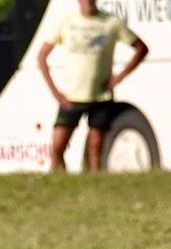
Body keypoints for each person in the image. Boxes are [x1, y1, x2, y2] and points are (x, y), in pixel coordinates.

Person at [37, 0, 149, 172]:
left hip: (100, 96)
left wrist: (119, 77)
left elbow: (141, 48)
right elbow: (42, 56)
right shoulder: (66, 22)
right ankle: (59, 178)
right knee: (58, 146)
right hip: (71, 96)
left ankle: (95, 181)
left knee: (95, 147)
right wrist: (56, 94)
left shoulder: (111, 23)